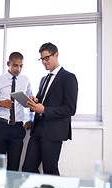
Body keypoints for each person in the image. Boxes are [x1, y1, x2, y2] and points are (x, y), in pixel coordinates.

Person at [22, 42, 78, 175]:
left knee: (50, 170)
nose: (44, 62)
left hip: (54, 131)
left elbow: (70, 109)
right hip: (38, 129)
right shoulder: (43, 79)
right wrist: (33, 101)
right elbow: (41, 102)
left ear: (56, 55)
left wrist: (45, 110)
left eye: (46, 58)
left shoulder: (68, 78)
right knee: (28, 168)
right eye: (41, 59)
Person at [0, 52, 33, 171]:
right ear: (8, 64)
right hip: (1, 126)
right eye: (15, 65)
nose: (18, 69)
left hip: (17, 129)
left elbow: (31, 103)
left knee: (14, 166)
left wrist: (30, 119)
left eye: (21, 66)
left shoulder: (25, 80)